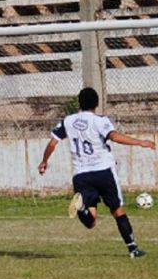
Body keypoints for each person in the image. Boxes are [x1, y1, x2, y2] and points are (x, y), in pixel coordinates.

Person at [38, 87, 154, 258]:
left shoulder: (68, 121)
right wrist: (140, 143)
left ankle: (82, 208)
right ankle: (133, 249)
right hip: (103, 172)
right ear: (97, 103)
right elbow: (113, 136)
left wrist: (44, 161)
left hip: (81, 175)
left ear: (79, 103)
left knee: (91, 221)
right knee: (118, 210)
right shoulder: (100, 120)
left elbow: (53, 143)